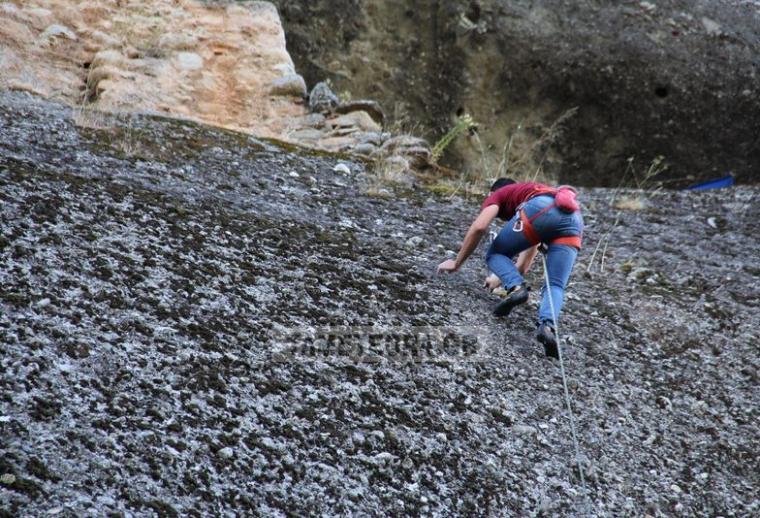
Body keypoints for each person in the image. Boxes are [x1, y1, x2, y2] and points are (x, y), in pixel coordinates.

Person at [436, 178, 584, 358]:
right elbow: (522, 266)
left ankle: (516, 288)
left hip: (541, 210)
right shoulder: (534, 191)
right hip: (574, 220)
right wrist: (498, 278)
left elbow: (480, 226)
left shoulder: (499, 194)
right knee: (555, 285)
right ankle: (547, 327)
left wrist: (456, 263)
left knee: (495, 254)